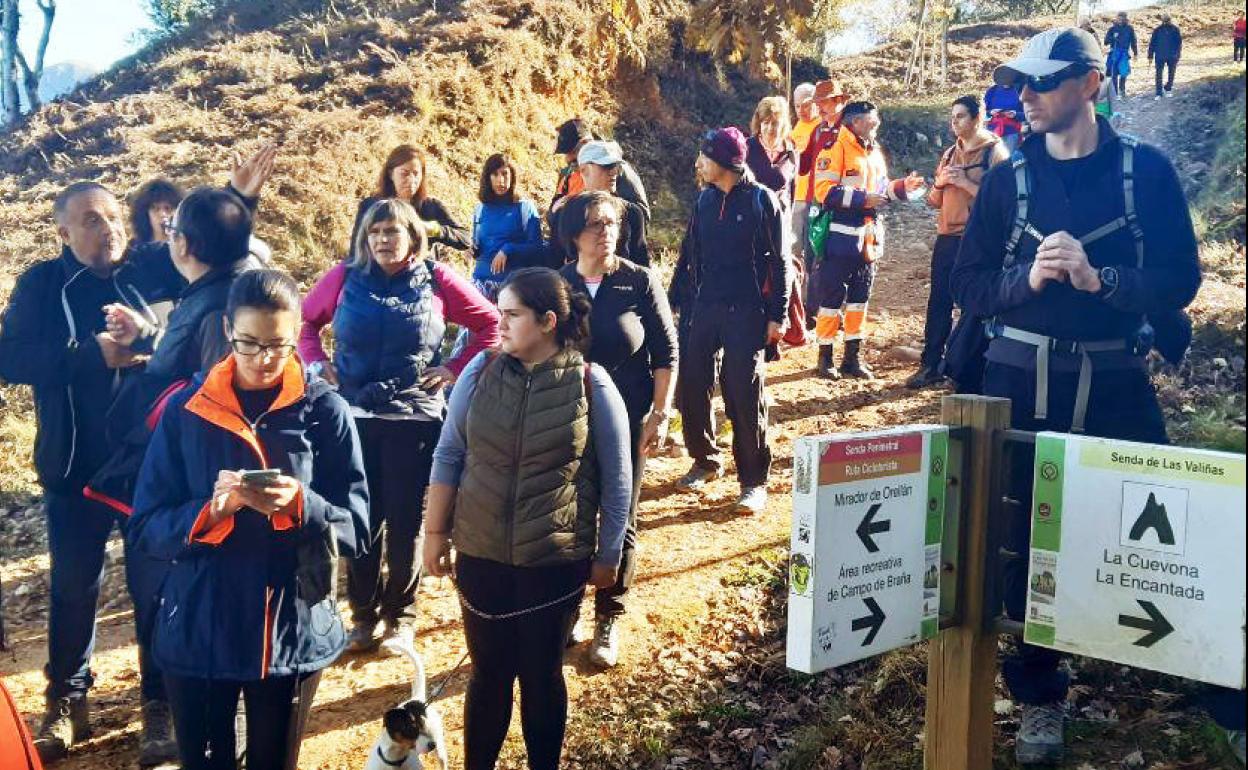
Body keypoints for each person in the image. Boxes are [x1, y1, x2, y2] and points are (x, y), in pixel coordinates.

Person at [952, 27, 1226, 765]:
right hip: (1018, 380)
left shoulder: (1147, 172)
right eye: (1020, 85)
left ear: (1091, 86)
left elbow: (1180, 282)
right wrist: (1029, 282)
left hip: (1114, 379)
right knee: (1019, 542)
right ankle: (1039, 695)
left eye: (1042, 83)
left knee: (1169, 529)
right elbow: (968, 284)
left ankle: (1221, 687)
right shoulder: (1010, 180)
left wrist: (1101, 280)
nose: (1027, 97)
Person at [0, 147, 272, 763]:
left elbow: (214, 260)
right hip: (73, 468)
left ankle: (158, 704)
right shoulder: (43, 284)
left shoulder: (151, 270)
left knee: (157, 587)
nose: (110, 229)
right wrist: (86, 355)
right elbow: (10, 358)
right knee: (75, 587)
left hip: (152, 468)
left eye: (115, 217)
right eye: (92, 220)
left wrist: (241, 198)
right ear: (63, 231)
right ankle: (68, 700)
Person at [127, 269, 369, 770]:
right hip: (201, 620)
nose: (264, 359)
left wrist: (303, 505)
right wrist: (212, 511)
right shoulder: (186, 410)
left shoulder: (325, 411)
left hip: (289, 624)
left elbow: (359, 526)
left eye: (279, 345)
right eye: (249, 343)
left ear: (301, 332)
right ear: (225, 329)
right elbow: (146, 526)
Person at [421, 267, 632, 770]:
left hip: (554, 561)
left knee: (541, 674)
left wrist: (608, 556)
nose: (501, 324)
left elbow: (618, 478)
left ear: (548, 321)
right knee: (488, 674)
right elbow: (449, 454)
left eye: (512, 315)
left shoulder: (590, 382)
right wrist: (434, 533)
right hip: (481, 552)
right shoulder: (479, 372)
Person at [299, 198, 500, 651]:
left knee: (406, 519)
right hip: (354, 416)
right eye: (374, 233)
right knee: (361, 517)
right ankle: (363, 616)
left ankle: (401, 615)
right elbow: (305, 326)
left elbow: (490, 325)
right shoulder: (343, 277)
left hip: (414, 417)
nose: (383, 241)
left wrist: (454, 368)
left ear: (412, 236)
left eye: (392, 232)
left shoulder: (438, 279)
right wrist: (316, 365)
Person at [557, 192, 678, 667]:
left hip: (628, 418)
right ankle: (569, 611)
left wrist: (660, 415)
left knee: (620, 514)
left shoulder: (639, 281)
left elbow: (666, 352)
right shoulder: (559, 285)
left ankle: (610, 615)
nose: (605, 232)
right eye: (594, 224)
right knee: (571, 514)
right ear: (574, 234)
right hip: (568, 420)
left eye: (611, 223)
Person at [668, 127, 789, 515]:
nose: (698, 163)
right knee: (692, 383)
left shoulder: (761, 201)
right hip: (703, 306)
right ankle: (705, 458)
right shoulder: (703, 201)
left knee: (742, 390)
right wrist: (675, 301)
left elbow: (781, 262)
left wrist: (778, 315)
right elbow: (689, 254)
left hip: (747, 310)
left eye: (704, 157)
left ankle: (753, 481)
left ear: (724, 162)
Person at [811, 101, 925, 380]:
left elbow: (882, 189)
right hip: (839, 236)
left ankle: (853, 356)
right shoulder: (833, 148)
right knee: (831, 299)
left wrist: (902, 188)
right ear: (855, 122)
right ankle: (825, 357)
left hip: (868, 238)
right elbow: (823, 191)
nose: (877, 125)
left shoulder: (873, 151)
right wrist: (863, 199)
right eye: (872, 121)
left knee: (860, 299)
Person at [906, 95, 1008, 389]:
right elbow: (933, 202)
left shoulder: (994, 153)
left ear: (977, 118)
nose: (955, 122)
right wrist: (940, 183)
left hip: (978, 240)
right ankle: (931, 364)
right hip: (947, 237)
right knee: (939, 301)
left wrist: (964, 183)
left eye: (961, 116)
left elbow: (1002, 202)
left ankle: (966, 366)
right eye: (952, 117)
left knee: (974, 303)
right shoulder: (950, 153)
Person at [347, 144, 471, 258]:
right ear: (391, 174)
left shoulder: (430, 206)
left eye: (416, 174)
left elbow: (466, 239)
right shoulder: (371, 206)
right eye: (404, 173)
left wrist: (435, 230)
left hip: (421, 277)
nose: (412, 180)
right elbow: (355, 251)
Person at [796, 80, 851, 323]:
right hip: (813, 202)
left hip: (838, 205)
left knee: (834, 259)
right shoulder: (818, 130)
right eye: (819, 103)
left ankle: (832, 311)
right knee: (811, 257)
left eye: (825, 102)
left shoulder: (849, 131)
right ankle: (812, 310)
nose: (821, 107)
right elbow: (803, 164)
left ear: (840, 101)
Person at [547, 141, 650, 267]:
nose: (614, 172)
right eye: (606, 166)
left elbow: (642, 265)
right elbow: (554, 263)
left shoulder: (632, 213)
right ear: (584, 170)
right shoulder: (566, 212)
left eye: (616, 166)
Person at [470, 153, 546, 301]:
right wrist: (472, 250)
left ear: (512, 177)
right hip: (480, 281)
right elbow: (478, 246)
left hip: (514, 285)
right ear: (488, 178)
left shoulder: (525, 208)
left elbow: (537, 247)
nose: (501, 180)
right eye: (495, 174)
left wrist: (508, 249)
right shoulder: (479, 209)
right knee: (469, 322)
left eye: (505, 174)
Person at [552, 118, 650, 221]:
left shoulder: (617, 169)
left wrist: (604, 207)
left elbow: (641, 214)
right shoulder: (567, 174)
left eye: (572, 152)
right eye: (565, 154)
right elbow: (553, 213)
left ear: (586, 142)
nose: (568, 158)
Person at [746, 96, 797, 215]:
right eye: (766, 122)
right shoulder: (747, 148)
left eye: (775, 123)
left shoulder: (791, 153)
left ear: (783, 124)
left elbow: (792, 192)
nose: (770, 128)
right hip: (751, 219)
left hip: (779, 220)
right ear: (759, 123)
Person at [789, 82, 820, 272]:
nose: (801, 110)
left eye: (806, 105)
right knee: (793, 248)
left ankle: (811, 296)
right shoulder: (796, 127)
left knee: (812, 251)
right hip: (794, 197)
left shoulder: (821, 127)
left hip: (814, 198)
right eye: (797, 106)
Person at [128, 178, 184, 249]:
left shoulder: (184, 248)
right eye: (156, 209)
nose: (163, 214)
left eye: (168, 208)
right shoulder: (134, 248)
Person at [1147, 15, 1182, 99]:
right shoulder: (1157, 30)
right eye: (1164, 21)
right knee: (1158, 74)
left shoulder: (1175, 29)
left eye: (1168, 20)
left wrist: (1178, 54)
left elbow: (1179, 43)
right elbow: (1152, 43)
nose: (1166, 22)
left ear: (1170, 20)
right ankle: (1158, 93)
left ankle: (1168, 88)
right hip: (1160, 55)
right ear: (1162, 21)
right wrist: (1150, 55)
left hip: (1172, 55)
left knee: (1171, 73)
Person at [984, 82, 1026, 152]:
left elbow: (1027, 115)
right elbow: (984, 112)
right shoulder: (992, 91)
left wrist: (1015, 114)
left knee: (1009, 159)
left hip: (1012, 133)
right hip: (993, 132)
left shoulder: (1020, 90)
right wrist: (991, 112)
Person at [1104, 12, 1138, 98]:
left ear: (1125, 19)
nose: (1120, 20)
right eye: (1118, 19)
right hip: (1114, 52)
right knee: (1114, 73)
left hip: (1124, 53)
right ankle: (1115, 93)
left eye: (1122, 19)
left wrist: (1135, 53)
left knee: (1124, 72)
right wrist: (1113, 38)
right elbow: (1106, 41)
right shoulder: (1112, 29)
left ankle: (1122, 89)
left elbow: (1133, 41)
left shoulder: (1130, 29)